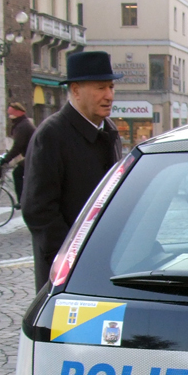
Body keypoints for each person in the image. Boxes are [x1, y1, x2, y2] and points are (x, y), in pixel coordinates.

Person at [22, 51, 123, 292]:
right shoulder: (52, 134)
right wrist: (72, 256)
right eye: (100, 88)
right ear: (76, 91)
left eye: (110, 87)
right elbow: (38, 210)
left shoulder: (109, 130)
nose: (109, 95)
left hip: (106, 260)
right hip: (68, 270)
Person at [0, 102, 35, 209]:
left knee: (17, 173)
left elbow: (18, 146)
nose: (9, 116)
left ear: (17, 114)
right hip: (32, 154)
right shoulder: (23, 123)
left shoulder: (22, 126)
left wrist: (6, 159)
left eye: (11, 114)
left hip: (34, 155)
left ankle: (23, 201)